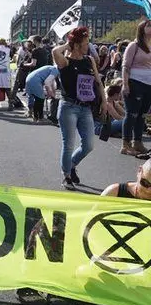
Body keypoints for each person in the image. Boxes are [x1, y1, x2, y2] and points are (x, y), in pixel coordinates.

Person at [53, 27, 107, 190]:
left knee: (88, 144)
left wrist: (104, 101)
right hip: (68, 106)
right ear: (76, 45)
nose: (88, 45)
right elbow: (56, 51)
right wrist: (68, 45)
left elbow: (98, 82)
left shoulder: (89, 60)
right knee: (68, 144)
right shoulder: (65, 62)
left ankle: (72, 164)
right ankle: (67, 175)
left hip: (85, 108)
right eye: (85, 42)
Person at [120, 20, 151, 156]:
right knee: (132, 114)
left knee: (142, 115)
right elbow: (125, 66)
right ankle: (125, 144)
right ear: (142, 29)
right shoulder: (134, 45)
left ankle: (137, 142)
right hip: (135, 82)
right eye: (149, 25)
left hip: (148, 84)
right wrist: (125, 84)